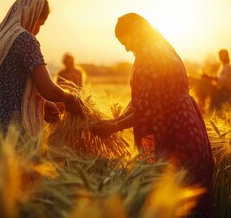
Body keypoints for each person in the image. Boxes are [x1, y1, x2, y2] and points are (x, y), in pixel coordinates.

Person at [91, 13, 214, 217]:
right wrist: (115, 120)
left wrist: (113, 127)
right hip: (190, 127)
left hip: (175, 135)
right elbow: (144, 101)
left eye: (125, 42)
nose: (127, 48)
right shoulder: (162, 49)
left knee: (173, 198)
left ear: (135, 33)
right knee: (192, 199)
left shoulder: (147, 57)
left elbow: (147, 110)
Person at [0, 0, 84, 148]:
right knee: (15, 172)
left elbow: (6, 84)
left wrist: (43, 104)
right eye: (40, 24)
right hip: (12, 129)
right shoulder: (25, 40)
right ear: (31, 15)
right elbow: (48, 89)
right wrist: (70, 98)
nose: (38, 30)